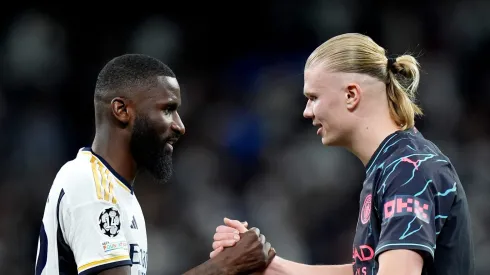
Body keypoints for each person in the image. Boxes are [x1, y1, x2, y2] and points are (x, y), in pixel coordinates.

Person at [209, 33, 474, 275]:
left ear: (350, 95)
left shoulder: (408, 168)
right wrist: (269, 266)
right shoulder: (391, 165)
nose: (306, 112)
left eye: (313, 97)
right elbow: (369, 271)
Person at [34, 54, 275, 275]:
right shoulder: (91, 184)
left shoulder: (117, 192)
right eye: (167, 110)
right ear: (121, 110)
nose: (180, 126)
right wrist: (225, 266)